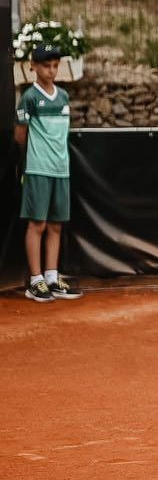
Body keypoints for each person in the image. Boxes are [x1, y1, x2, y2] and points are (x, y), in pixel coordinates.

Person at [14, 46, 81, 303]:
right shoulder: (29, 97)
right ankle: (35, 281)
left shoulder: (63, 96)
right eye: (45, 66)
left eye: (55, 66)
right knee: (37, 224)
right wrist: (30, 161)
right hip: (37, 169)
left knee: (55, 224)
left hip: (61, 171)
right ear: (33, 66)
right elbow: (20, 135)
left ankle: (52, 278)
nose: (51, 71)